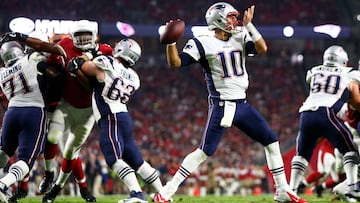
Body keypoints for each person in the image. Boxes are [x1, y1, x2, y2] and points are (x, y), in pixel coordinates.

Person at [152, 2, 307, 203]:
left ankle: (282, 190)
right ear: (218, 20)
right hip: (223, 105)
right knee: (204, 151)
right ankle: (165, 192)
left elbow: (262, 48)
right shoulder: (202, 42)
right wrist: (171, 43)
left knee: (271, 140)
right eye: (231, 17)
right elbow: (175, 63)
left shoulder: (239, 36)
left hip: (242, 104)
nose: (235, 20)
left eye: (235, 17)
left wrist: (250, 25)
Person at [0, 19, 112, 202]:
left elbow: (60, 71)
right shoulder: (39, 58)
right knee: (31, 151)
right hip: (42, 110)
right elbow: (53, 61)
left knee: (66, 151)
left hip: (56, 106)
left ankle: (77, 187)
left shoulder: (36, 60)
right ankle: (26, 186)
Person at [68, 38, 155, 203]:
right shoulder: (134, 77)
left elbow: (85, 68)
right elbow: (99, 84)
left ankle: (137, 193)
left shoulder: (106, 62)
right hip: (124, 117)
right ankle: (163, 193)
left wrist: (84, 59)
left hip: (111, 116)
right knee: (138, 161)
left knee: (113, 158)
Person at [288, 45, 360, 201]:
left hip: (306, 114)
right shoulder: (350, 73)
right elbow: (357, 102)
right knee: (350, 149)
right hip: (327, 113)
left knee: (302, 155)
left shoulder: (314, 71)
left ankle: (291, 191)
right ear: (344, 61)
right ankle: (354, 186)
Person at [0, 41, 48, 203]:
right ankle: (2, 184)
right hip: (33, 110)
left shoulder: (2, 72)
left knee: (3, 152)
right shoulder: (31, 58)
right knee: (26, 160)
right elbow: (50, 59)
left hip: (12, 112)